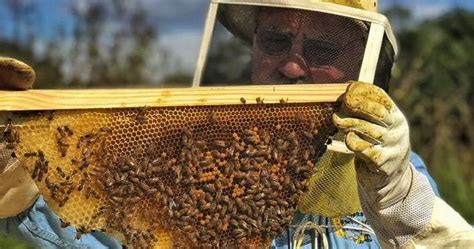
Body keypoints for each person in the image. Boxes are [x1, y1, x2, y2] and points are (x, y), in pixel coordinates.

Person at [1, 1, 473, 249]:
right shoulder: (185, 166)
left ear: (366, 64)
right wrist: (14, 162)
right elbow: (101, 231)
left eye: (324, 51)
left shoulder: (394, 173)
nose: (291, 66)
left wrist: (398, 198)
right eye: (276, 39)